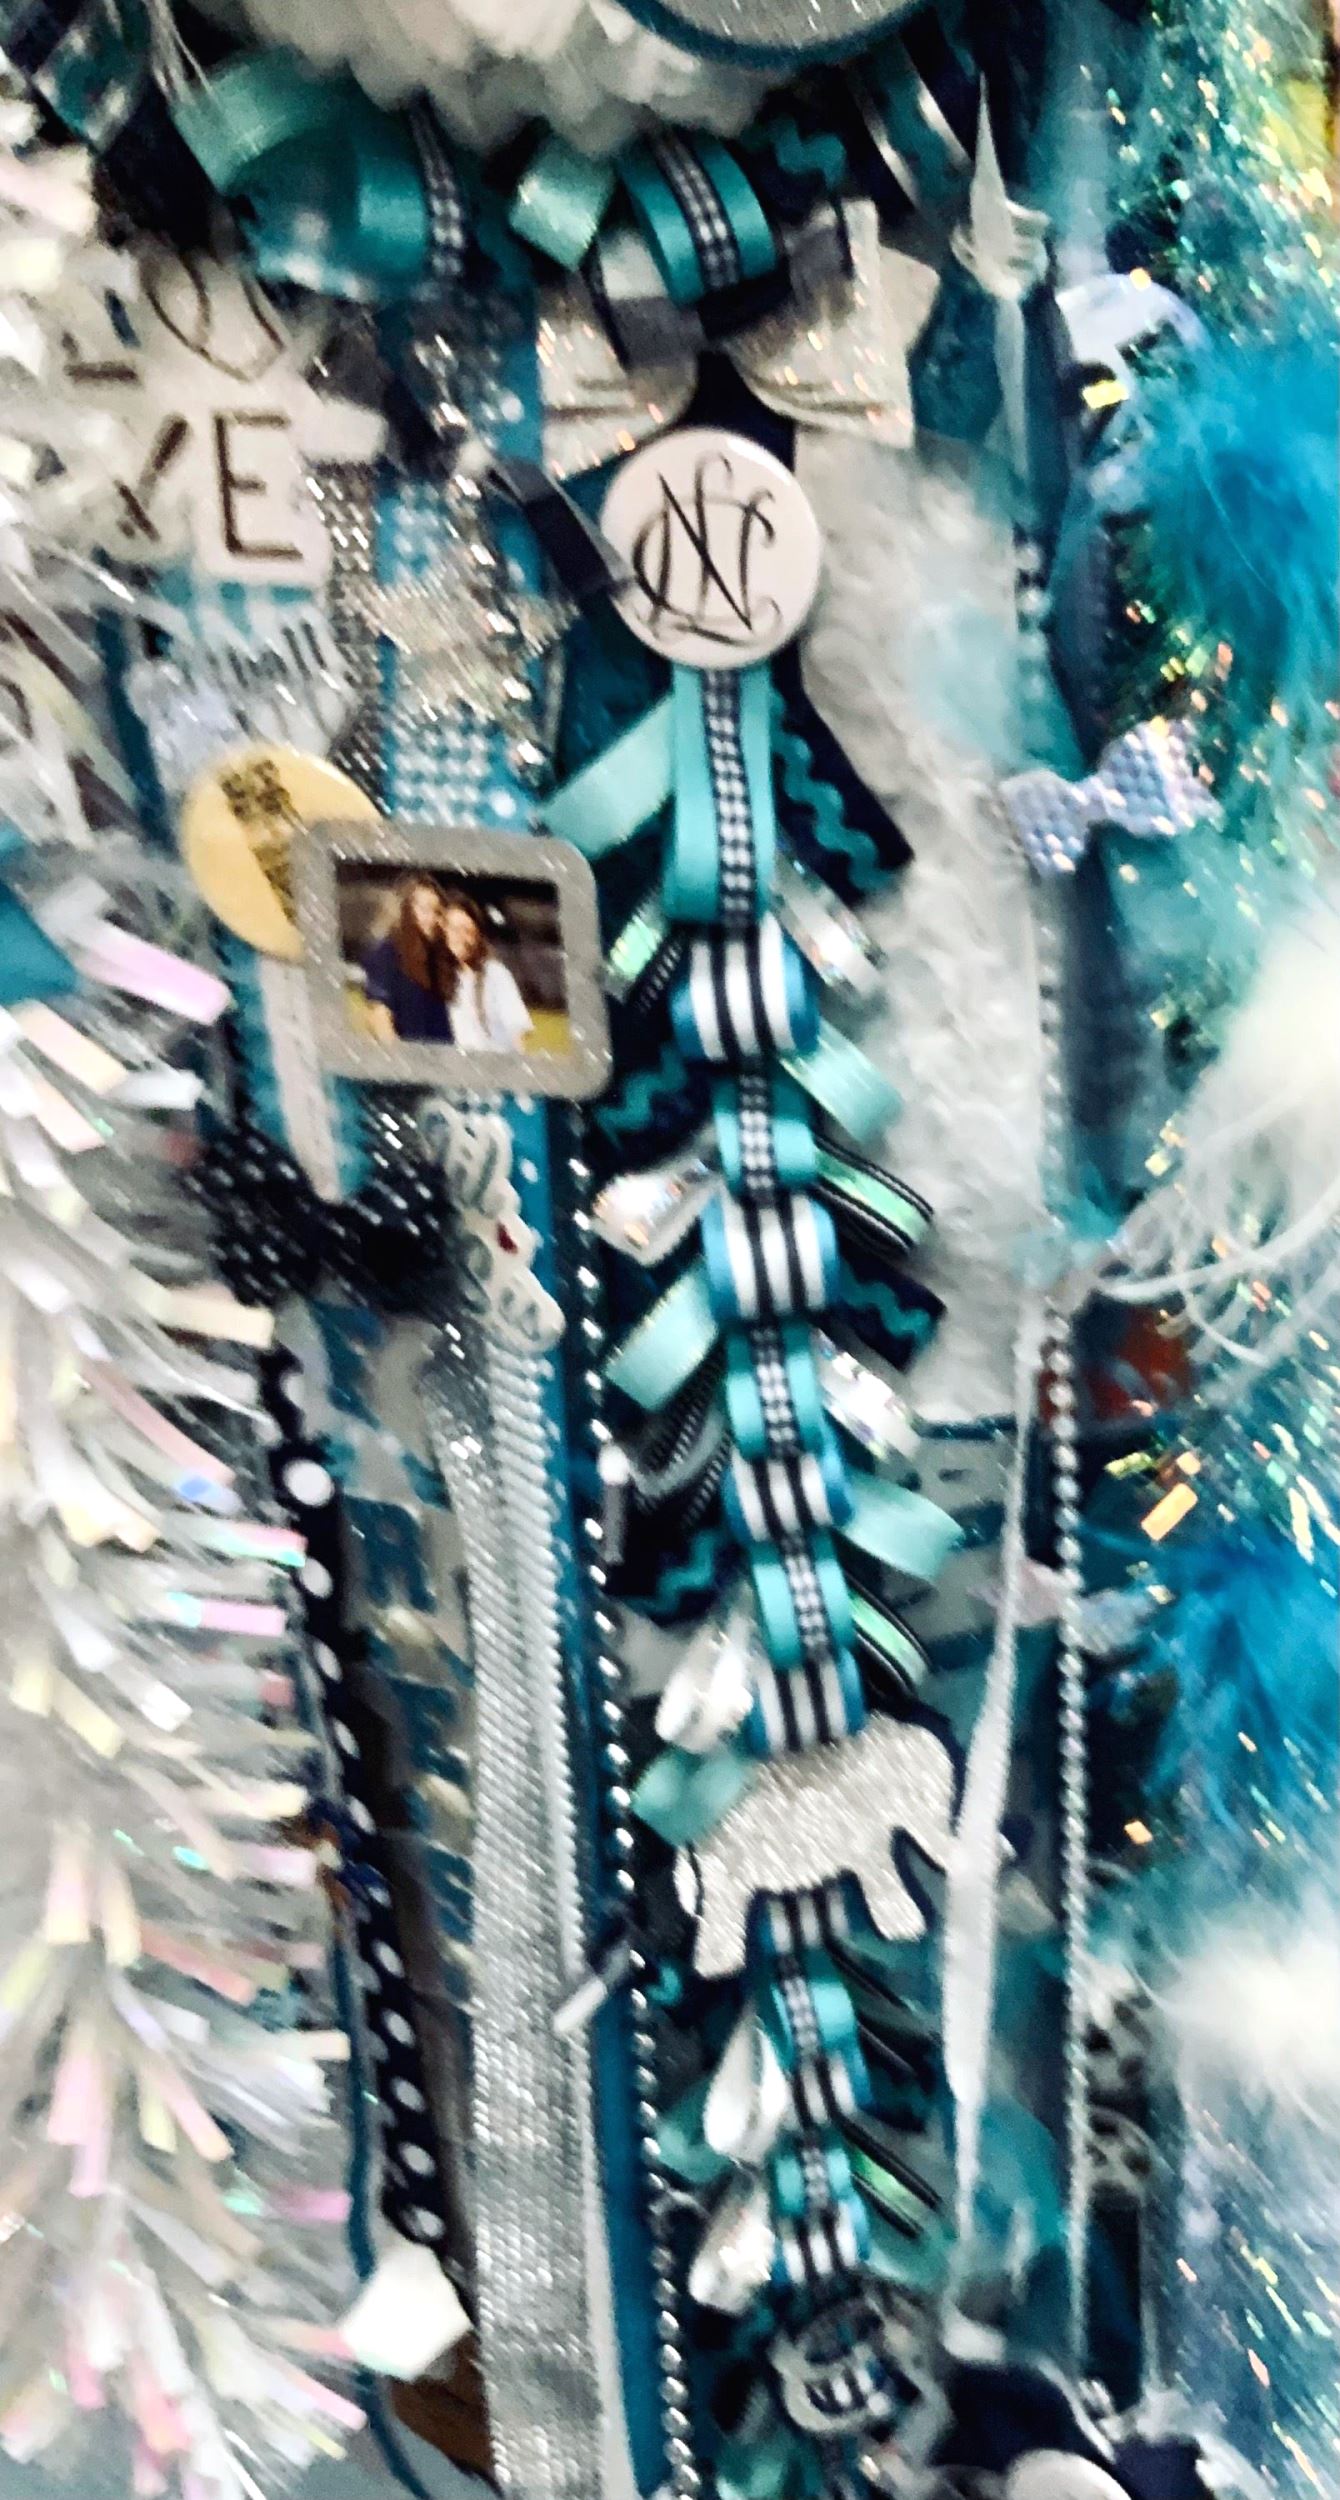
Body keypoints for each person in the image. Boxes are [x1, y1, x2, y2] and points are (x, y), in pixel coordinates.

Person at [440, 890, 533, 1052]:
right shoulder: (444, 977)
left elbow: (518, 1033)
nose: (460, 937)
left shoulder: (495, 974)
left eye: (467, 931)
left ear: (477, 935)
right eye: (454, 929)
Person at [362, 877, 453, 1043]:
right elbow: (379, 1015)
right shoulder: (387, 954)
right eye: (425, 910)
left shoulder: (435, 961)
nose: (432, 919)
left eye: (437, 912)